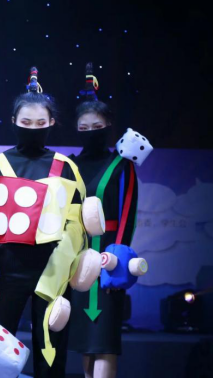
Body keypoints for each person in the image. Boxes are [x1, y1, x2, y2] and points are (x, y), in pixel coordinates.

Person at [0, 67, 99, 378]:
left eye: (41, 123)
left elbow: (76, 226)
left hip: (52, 272)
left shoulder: (65, 167)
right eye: (26, 123)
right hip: (5, 271)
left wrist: (66, 271)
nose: (33, 128)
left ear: (52, 123)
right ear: (14, 122)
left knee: (51, 355)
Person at [69, 66, 142, 378]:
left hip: (108, 260)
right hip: (76, 262)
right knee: (86, 344)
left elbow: (127, 216)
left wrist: (117, 264)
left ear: (109, 126)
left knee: (105, 343)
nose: (90, 131)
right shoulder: (69, 165)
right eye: (84, 127)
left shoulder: (122, 165)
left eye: (97, 126)